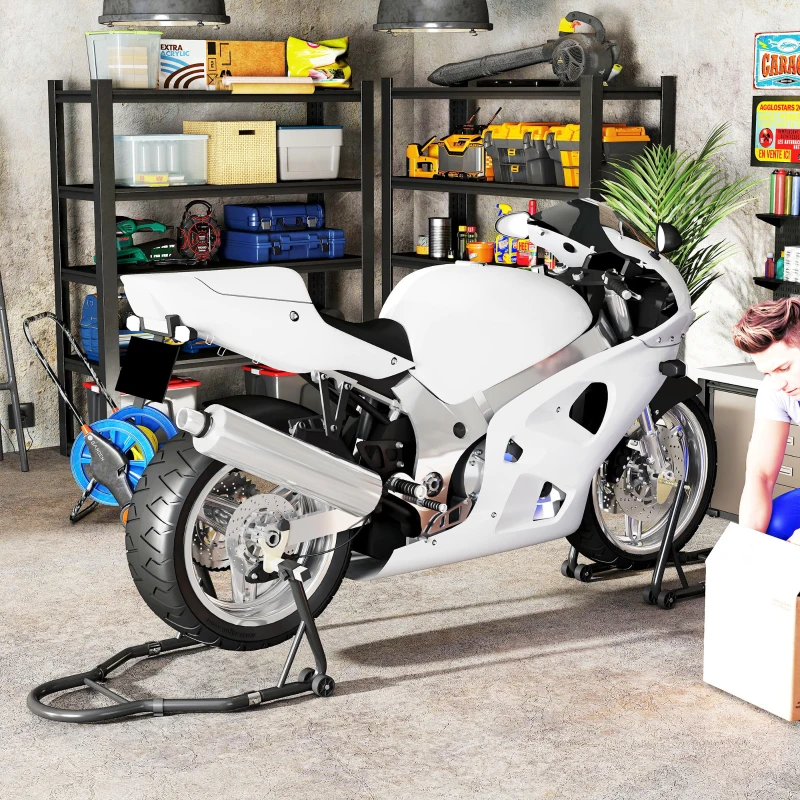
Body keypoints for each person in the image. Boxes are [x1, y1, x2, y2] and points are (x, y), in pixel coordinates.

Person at [733, 297, 800, 540]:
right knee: (773, 527)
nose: (778, 383)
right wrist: (747, 547)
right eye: (768, 373)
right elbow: (760, 475)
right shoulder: (775, 389)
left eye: (784, 368)